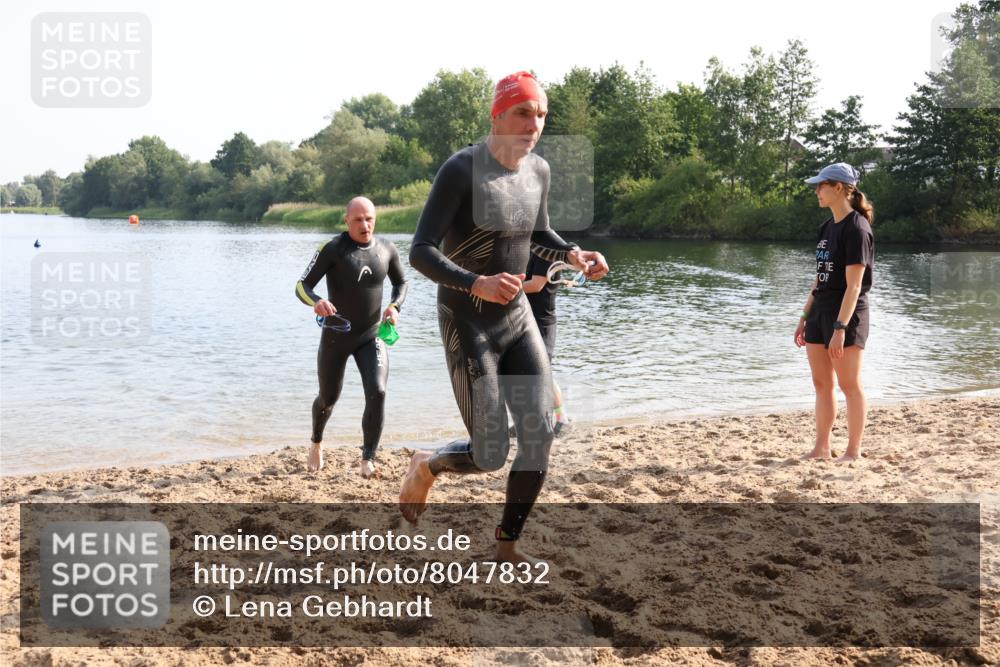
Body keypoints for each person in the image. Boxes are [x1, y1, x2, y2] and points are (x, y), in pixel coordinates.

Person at [398, 71, 609, 564]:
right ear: (497, 115)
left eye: (540, 114)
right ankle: (426, 465)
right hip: (467, 320)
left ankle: (506, 546)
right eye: (522, 112)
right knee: (489, 453)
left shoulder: (538, 171)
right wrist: (477, 283)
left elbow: (538, 232)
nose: (533, 123)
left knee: (540, 435)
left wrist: (574, 254)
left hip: (516, 319)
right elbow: (420, 252)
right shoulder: (461, 169)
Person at [296, 196, 408, 478]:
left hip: (371, 336)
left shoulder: (386, 249)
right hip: (337, 336)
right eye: (358, 219)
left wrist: (394, 306)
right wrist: (317, 301)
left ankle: (368, 459)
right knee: (328, 398)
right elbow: (302, 285)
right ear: (346, 221)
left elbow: (401, 282)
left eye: (369, 218)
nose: (365, 224)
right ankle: (316, 442)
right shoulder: (333, 249)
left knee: (378, 391)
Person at [794, 163, 875, 462]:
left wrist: (840, 328)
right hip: (820, 312)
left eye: (820, 185)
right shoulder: (826, 228)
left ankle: (853, 451)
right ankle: (822, 447)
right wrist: (804, 317)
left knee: (849, 385)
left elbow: (854, 287)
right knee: (821, 383)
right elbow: (820, 277)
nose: (816, 191)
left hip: (847, 315)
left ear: (838, 187)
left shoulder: (857, 228)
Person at [522, 254, 574, 435]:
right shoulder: (524, 249)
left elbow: (536, 285)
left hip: (542, 322)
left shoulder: (546, 253)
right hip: (523, 318)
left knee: (543, 372)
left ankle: (563, 419)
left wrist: (501, 288)